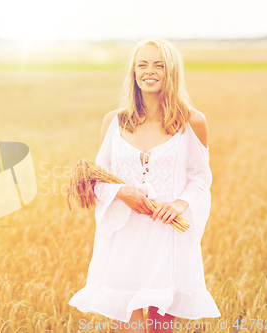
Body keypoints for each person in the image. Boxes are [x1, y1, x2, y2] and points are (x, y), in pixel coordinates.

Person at [68, 39, 221, 333]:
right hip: (125, 238)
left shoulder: (192, 121)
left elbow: (201, 177)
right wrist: (122, 192)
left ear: (171, 71)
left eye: (158, 65)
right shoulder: (114, 121)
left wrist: (179, 203)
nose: (149, 71)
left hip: (167, 236)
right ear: (134, 73)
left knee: (161, 326)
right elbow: (99, 179)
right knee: (125, 326)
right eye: (142, 65)